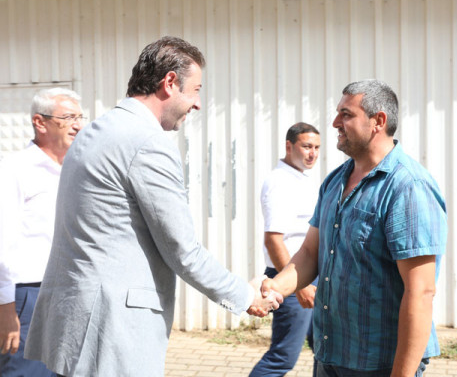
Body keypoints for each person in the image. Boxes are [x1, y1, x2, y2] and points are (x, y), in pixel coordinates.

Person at [24, 36, 281, 377]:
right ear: (169, 82)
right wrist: (245, 295)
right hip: (109, 335)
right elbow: (182, 250)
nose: (198, 104)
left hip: (75, 327)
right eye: (196, 90)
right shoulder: (146, 142)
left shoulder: (95, 130)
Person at [261, 79, 447, 377]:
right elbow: (310, 253)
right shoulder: (334, 181)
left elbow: (421, 291)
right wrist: (275, 288)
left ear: (378, 121)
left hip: (380, 363)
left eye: (346, 114)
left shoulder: (408, 186)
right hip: (331, 353)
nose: (335, 122)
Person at [0, 88, 84, 377]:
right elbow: (2, 243)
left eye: (80, 117)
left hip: (70, 291)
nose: (78, 125)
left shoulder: (77, 170)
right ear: (40, 122)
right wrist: (6, 309)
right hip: (28, 297)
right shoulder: (14, 169)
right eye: (69, 117)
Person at [250, 122, 321, 377]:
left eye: (317, 148)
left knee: (324, 350)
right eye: (307, 146)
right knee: (282, 357)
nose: (312, 153)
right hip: (291, 278)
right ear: (289, 146)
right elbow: (274, 240)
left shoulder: (301, 179)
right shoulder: (280, 182)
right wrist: (299, 287)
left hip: (309, 277)